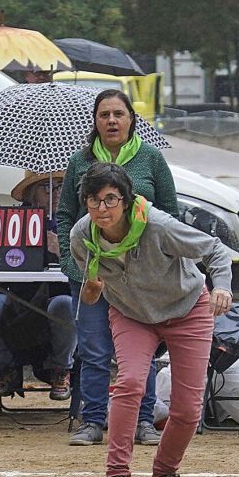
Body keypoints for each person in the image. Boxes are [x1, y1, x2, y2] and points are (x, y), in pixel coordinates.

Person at [70, 162, 232, 477]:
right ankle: (115, 476)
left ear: (126, 201)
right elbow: (90, 291)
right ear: (84, 202)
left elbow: (214, 249)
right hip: (132, 313)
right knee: (129, 382)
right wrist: (92, 290)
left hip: (186, 307)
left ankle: (164, 474)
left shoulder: (157, 225)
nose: (103, 209)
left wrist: (222, 288)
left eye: (111, 199)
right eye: (94, 200)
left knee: (188, 409)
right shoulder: (82, 236)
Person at [56, 89, 177, 447]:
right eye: (104, 114)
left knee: (141, 352)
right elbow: (64, 215)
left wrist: (164, 262)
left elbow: (170, 213)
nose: (111, 121)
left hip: (141, 277)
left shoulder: (151, 159)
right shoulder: (79, 162)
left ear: (131, 119)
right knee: (93, 349)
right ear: (94, 121)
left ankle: (143, 421)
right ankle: (92, 421)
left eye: (118, 114)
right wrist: (69, 258)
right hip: (92, 273)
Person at [0, 173, 75, 400]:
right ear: (31, 193)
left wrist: (62, 252)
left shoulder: (73, 220)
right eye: (47, 188)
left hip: (56, 298)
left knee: (66, 305)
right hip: (15, 297)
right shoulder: (12, 219)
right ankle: (4, 367)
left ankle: (61, 369)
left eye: (59, 187)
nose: (56, 193)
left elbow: (89, 269)